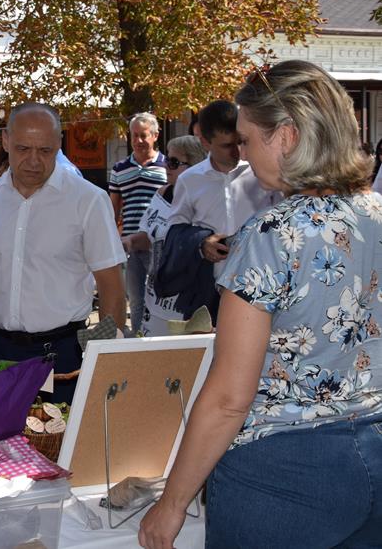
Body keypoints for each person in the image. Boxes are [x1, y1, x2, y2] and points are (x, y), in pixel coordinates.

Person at [139, 60, 382, 549]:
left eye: (247, 140)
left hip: (281, 473)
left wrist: (172, 503)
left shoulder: (272, 233)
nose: (244, 153)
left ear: (287, 136)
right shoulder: (375, 213)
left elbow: (230, 396)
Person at [0, 103, 126, 403]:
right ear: (5, 141)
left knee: (59, 432)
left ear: (59, 145)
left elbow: (112, 288)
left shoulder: (88, 200)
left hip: (62, 354)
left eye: (45, 150)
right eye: (23, 148)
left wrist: (106, 364)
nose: (33, 161)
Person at [167, 100, 279, 277]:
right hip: (209, 282)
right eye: (227, 146)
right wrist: (202, 244)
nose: (236, 151)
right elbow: (175, 231)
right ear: (205, 142)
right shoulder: (188, 180)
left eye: (240, 142)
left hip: (261, 278)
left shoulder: (263, 171)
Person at [121, 136, 206, 336]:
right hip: (156, 300)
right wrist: (129, 242)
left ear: (194, 166)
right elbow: (148, 236)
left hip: (186, 303)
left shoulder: (205, 200)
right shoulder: (162, 193)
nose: (167, 166)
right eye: (167, 160)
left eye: (174, 162)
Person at [109, 113, 167, 334]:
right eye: (134, 135)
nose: (138, 140)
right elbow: (113, 209)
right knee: (135, 300)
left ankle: (159, 339)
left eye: (143, 135)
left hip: (159, 243)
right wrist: (112, 241)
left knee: (160, 297)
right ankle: (138, 341)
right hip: (130, 244)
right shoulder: (119, 169)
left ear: (155, 135)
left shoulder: (166, 166)